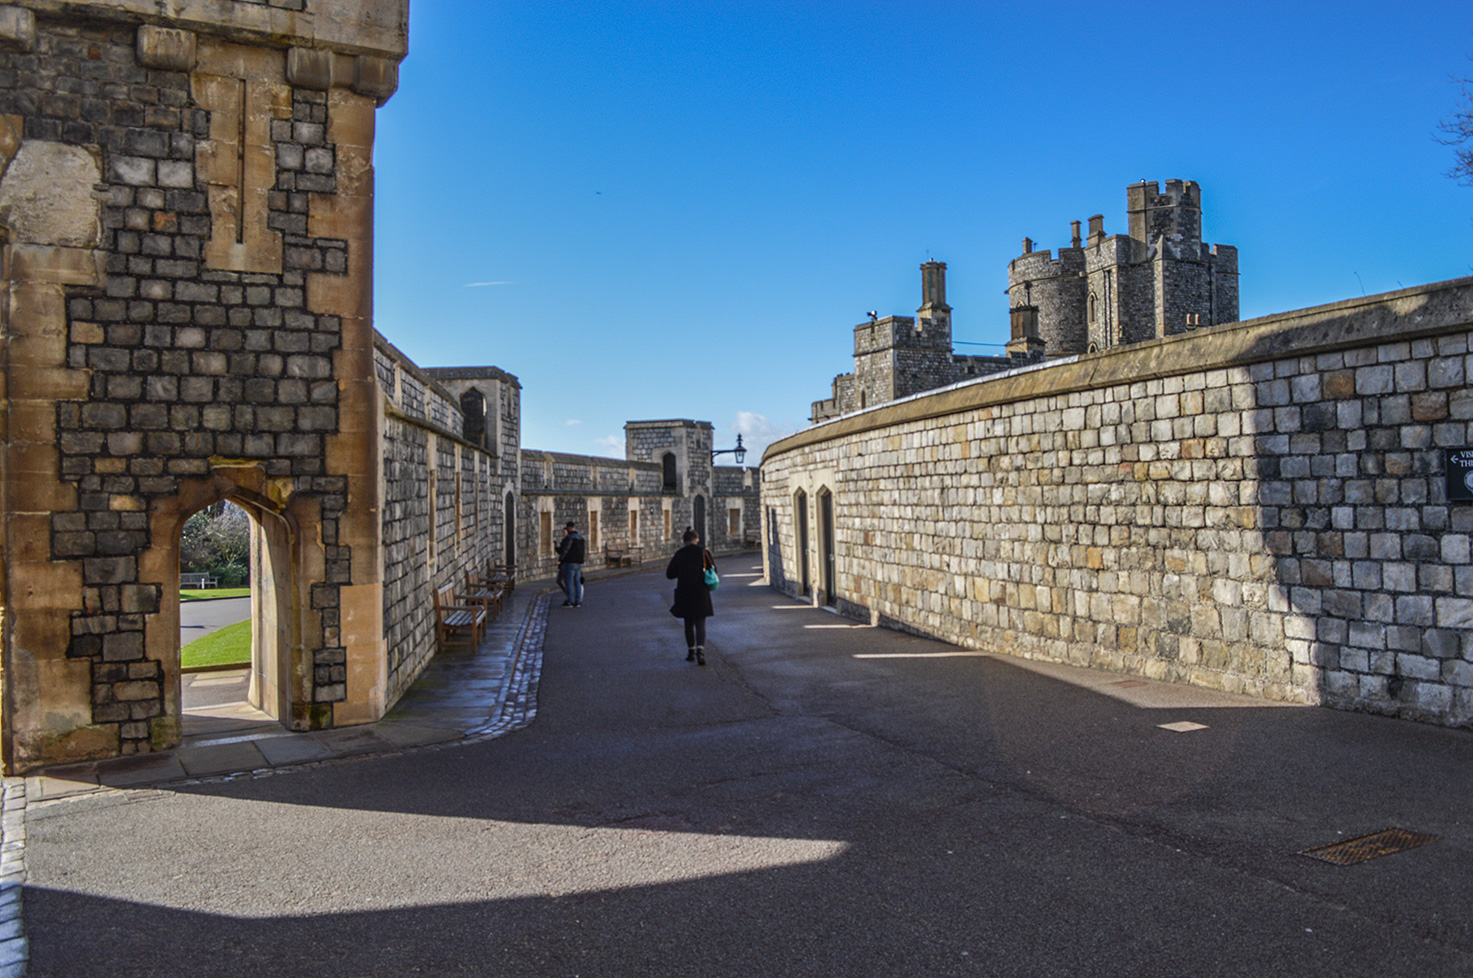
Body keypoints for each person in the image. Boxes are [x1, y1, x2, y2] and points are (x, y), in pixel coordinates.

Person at [666, 527, 715, 665]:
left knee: (688, 622)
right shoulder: (704, 552)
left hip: (685, 591)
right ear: (696, 539)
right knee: (700, 622)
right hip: (701, 592)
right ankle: (701, 651)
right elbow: (713, 570)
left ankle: (691, 652)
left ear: (684, 541)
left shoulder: (679, 554)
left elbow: (670, 574)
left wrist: (682, 572)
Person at [556, 521, 586, 607]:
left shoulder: (569, 537)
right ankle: (578, 601)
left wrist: (560, 560)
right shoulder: (581, 538)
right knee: (577, 582)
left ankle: (570, 600)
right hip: (579, 562)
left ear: (568, 528)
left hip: (570, 562)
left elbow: (565, 550)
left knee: (568, 582)